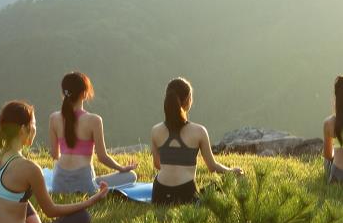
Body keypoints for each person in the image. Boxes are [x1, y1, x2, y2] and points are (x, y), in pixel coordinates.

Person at [0, 100, 110, 223]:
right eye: (34, 124)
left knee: (22, 198)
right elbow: (51, 210)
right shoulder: (29, 168)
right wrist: (92, 200)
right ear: (24, 129)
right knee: (82, 217)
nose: (35, 129)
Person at [149, 77, 242, 205]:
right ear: (188, 101)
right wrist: (233, 171)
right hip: (186, 195)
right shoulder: (199, 131)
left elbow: (157, 165)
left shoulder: (155, 130)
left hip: (159, 195)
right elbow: (212, 167)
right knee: (226, 181)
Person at [49, 71, 139, 194]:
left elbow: (54, 154)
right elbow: (102, 157)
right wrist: (121, 168)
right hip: (85, 186)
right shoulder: (94, 120)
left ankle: (90, 180)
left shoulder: (54, 118)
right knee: (131, 176)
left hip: (58, 185)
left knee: (94, 179)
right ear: (84, 94)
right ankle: (93, 181)